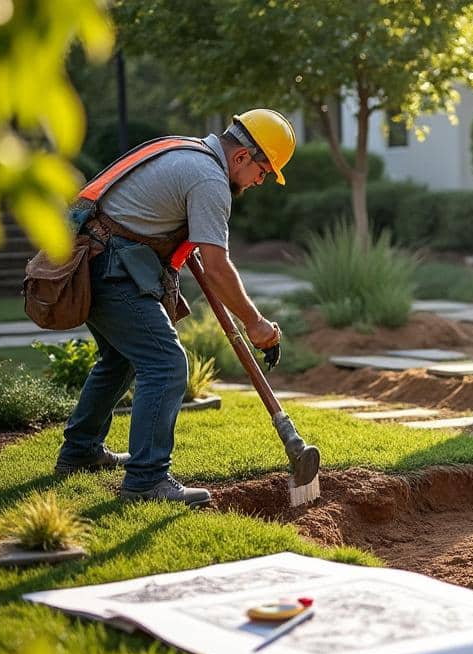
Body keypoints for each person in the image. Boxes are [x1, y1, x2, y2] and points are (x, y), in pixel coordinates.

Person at [52, 109, 295, 506]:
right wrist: (256, 323)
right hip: (110, 267)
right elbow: (217, 268)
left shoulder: (188, 152)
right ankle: (147, 480)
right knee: (166, 364)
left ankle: (80, 451)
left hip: (91, 259)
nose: (258, 183)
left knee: (120, 359)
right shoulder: (209, 178)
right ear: (241, 157)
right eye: (263, 172)